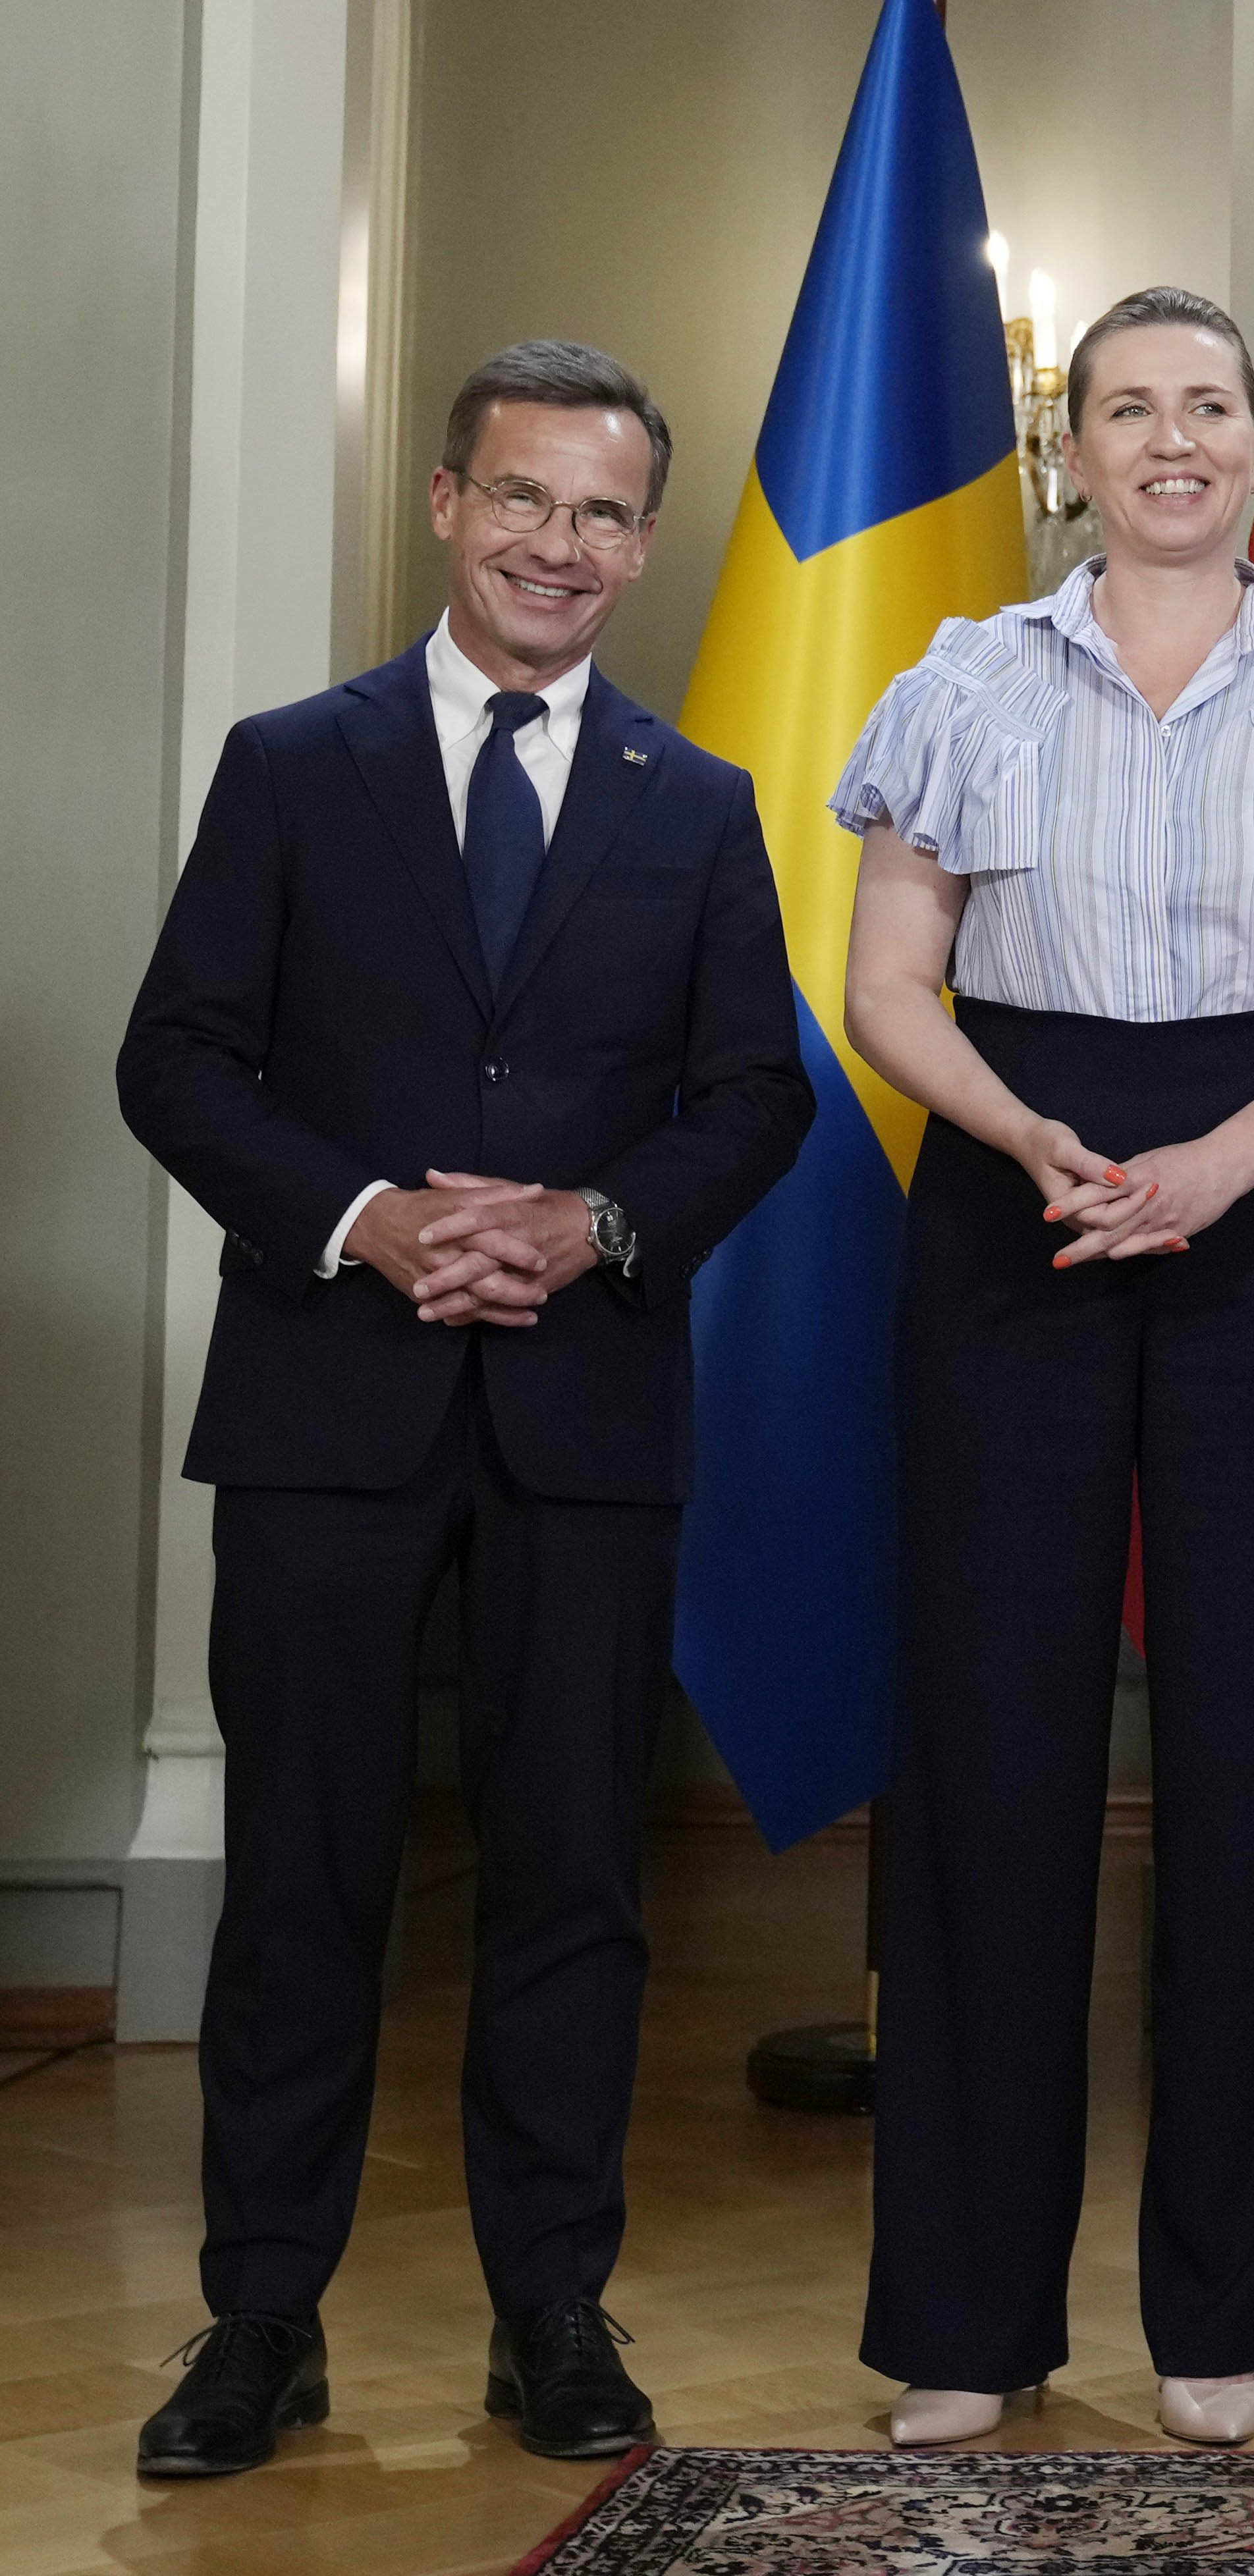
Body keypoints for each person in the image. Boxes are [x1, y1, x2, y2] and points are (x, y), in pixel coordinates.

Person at [112, 343, 814, 2477]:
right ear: (445, 505)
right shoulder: (289, 766)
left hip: (584, 1419)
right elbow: (178, 1061)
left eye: (607, 516)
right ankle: (257, 2322)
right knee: (307, 1876)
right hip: (331, 1405)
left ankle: (552, 2313)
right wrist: (367, 1220)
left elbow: (755, 1096)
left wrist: (593, 1225)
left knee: (578, 1875)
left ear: (644, 540)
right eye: (526, 501)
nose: (562, 548)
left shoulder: (696, 806)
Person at [832, 288, 1254, 2454]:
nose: (1172, 440)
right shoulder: (963, 679)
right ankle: (970, 2320)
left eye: (1209, 405)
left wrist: (1224, 1161)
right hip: (1015, 1192)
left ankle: (1226, 2305)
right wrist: (1027, 1139)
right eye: (1128, 408)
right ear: (1065, 443)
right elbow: (887, 976)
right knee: (990, 1755)